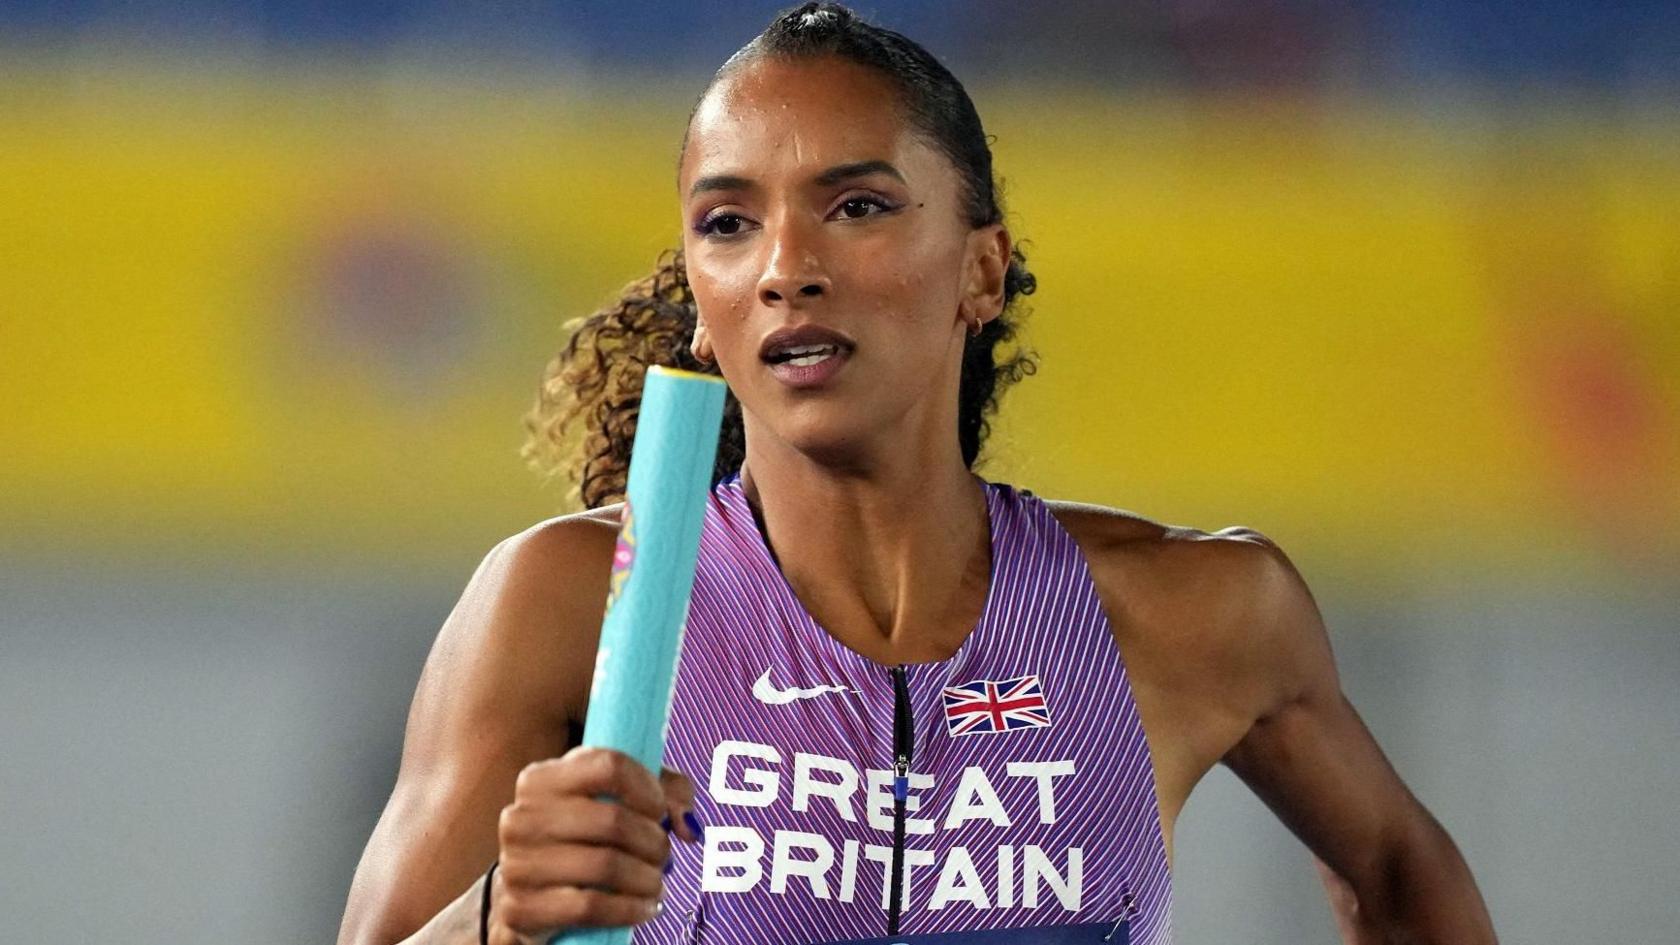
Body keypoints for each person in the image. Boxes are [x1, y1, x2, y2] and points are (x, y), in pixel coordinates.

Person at [337, 4, 1497, 944]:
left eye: (857, 206)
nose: (788, 267)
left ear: (980, 271)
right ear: (700, 301)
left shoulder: (1193, 614)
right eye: (730, 223)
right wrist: (496, 921)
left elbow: (1400, 872)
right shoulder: (566, 604)